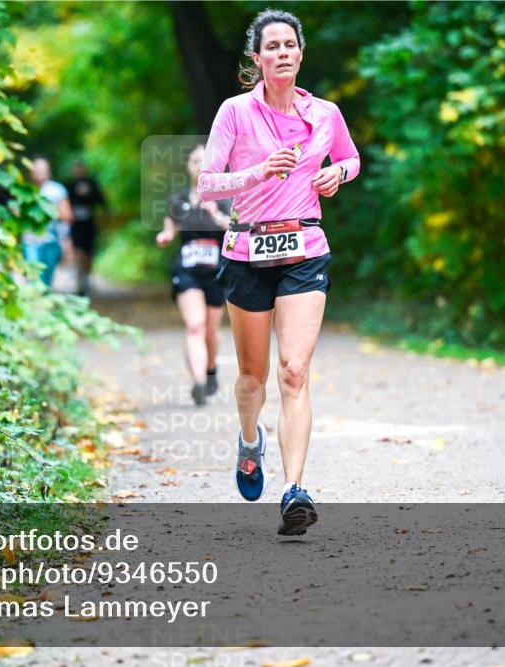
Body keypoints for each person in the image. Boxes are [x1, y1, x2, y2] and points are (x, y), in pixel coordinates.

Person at [198, 9, 360, 535]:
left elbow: (351, 159)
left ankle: (295, 490)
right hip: (247, 251)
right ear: (257, 57)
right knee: (253, 378)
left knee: (294, 371)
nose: (283, 53)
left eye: (290, 44)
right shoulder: (234, 113)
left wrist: (336, 171)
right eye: (272, 46)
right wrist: (256, 172)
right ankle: (250, 443)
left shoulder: (325, 114)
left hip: (305, 247)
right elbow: (207, 184)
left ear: (301, 52)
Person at [156, 144, 230, 407]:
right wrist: (165, 236)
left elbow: (237, 230)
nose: (200, 165)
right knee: (195, 326)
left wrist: (218, 217)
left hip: (216, 273)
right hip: (187, 271)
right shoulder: (178, 201)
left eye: (205, 160)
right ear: (188, 165)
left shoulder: (224, 198)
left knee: (211, 332)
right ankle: (198, 382)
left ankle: (211, 370)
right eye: (195, 160)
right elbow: (170, 228)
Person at [23, 157, 72, 288]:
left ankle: (43, 303)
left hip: (51, 240)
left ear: (48, 172)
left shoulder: (57, 190)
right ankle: (34, 303)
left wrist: (48, 211)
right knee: (33, 276)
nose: (39, 173)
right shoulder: (25, 190)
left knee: (46, 279)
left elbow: (68, 216)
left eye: (42, 170)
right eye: (36, 170)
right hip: (30, 240)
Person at [66, 160, 107, 297]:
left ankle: (87, 277)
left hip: (89, 224)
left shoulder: (92, 184)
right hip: (75, 224)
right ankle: (79, 281)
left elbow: (102, 201)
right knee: (78, 252)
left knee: (89, 252)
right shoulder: (70, 186)